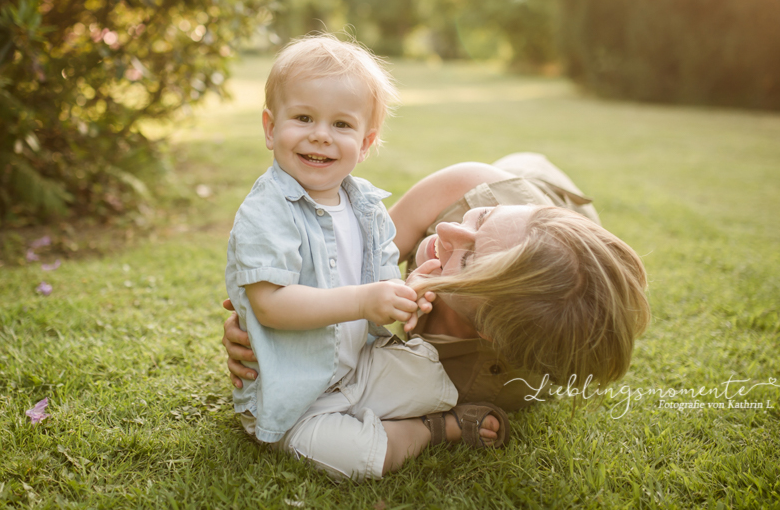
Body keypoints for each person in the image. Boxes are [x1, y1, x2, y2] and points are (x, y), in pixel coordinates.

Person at [226, 35, 507, 483]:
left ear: (366, 141)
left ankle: (389, 408)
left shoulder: (366, 208)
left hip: (360, 366)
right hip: (296, 394)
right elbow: (270, 305)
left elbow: (377, 283)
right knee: (357, 458)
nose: (320, 134)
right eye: (303, 118)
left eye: (341, 124)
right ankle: (433, 430)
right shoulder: (267, 211)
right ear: (269, 126)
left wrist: (411, 292)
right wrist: (362, 301)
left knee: (435, 377)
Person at [224, 153, 651, 415]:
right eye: (478, 220)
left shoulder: (469, 380)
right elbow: (343, 267)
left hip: (545, 259)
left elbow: (345, 377)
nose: (445, 229)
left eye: (465, 259)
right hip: (531, 183)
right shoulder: (472, 188)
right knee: (520, 169)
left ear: (487, 330)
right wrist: (267, 314)